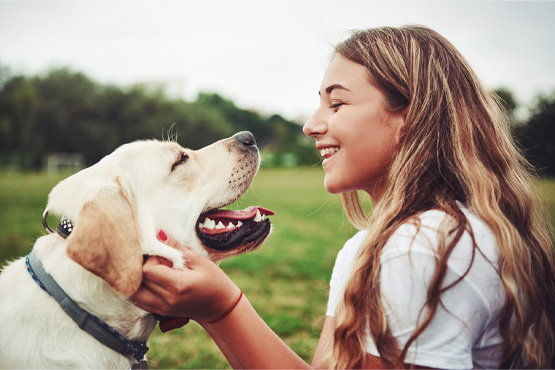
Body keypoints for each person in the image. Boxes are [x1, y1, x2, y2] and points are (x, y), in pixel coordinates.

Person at [132, 25, 555, 369]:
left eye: (336, 104)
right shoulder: (365, 251)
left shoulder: (421, 248)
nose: (311, 125)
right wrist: (216, 308)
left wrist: (223, 307)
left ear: (410, 118)